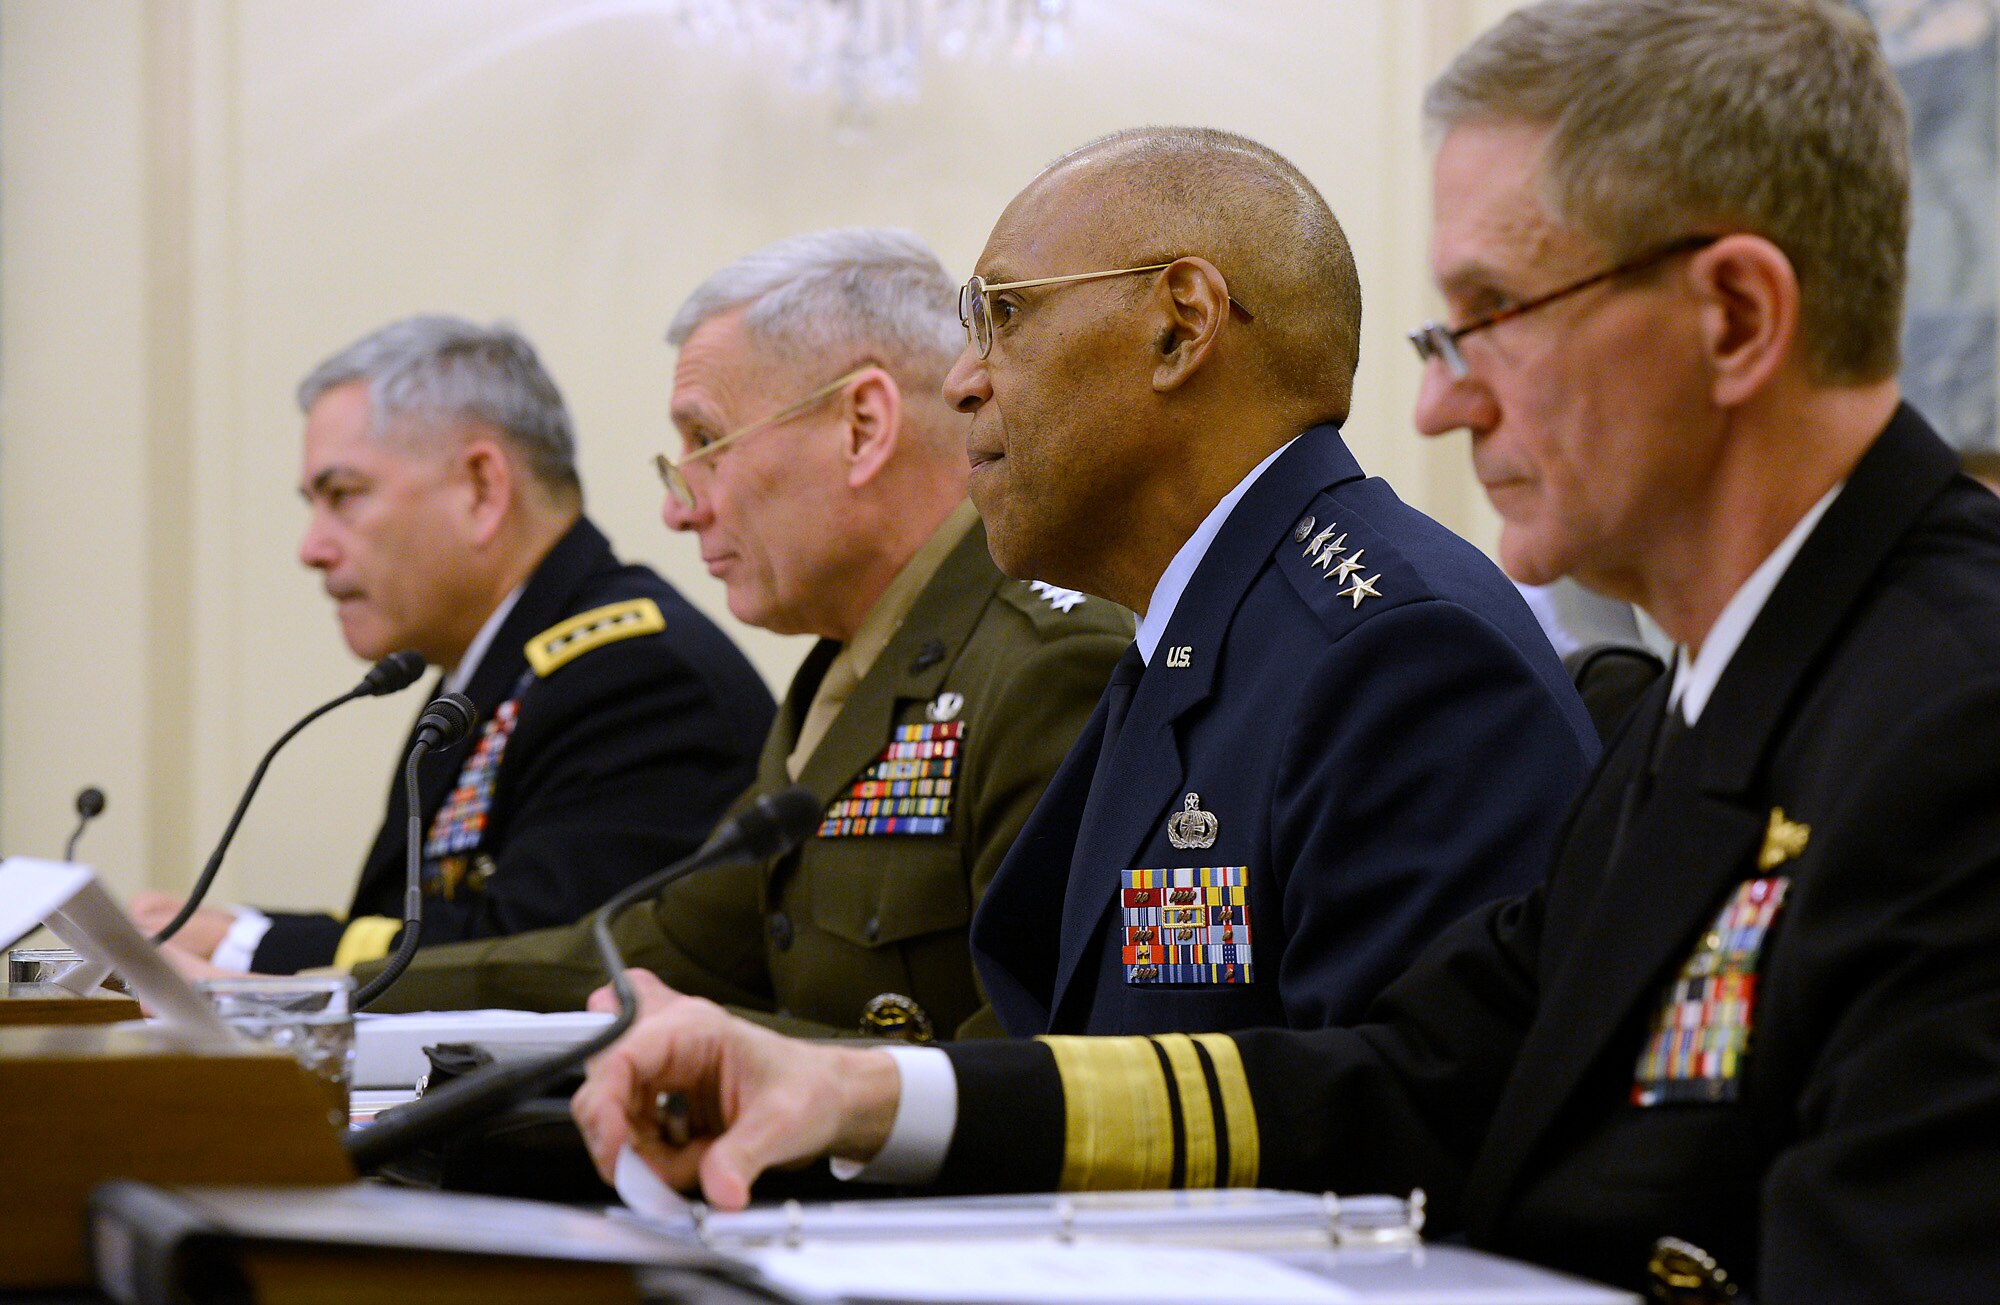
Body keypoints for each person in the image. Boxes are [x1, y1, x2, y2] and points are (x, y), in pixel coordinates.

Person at [571, 3, 2000, 1299]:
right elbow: (1401, 1079)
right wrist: (865, 1099)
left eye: (1491, 317)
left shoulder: (1954, 710)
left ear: (1735, 319)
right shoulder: (1723, 689)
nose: (1437, 411)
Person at [359, 230, 1130, 1039]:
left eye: (705, 443)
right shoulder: (851, 667)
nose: (679, 507)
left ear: (862, 427)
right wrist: (330, 995)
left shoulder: (1044, 663)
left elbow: (1032, 1055)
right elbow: (661, 951)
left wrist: (743, 1059)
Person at [951, 126, 1596, 1037]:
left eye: (1005, 314)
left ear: (1180, 326)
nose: (961, 380)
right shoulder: (1218, 623)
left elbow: (1392, 1124)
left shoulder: (1396, 656)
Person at [132, 316, 774, 975]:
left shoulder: (639, 677)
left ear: (482, 488)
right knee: (40, 971)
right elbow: (428, 928)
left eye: (343, 495)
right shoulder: (496, 667)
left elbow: (542, 964)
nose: (311, 549)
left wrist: (245, 952)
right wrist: (234, 930)